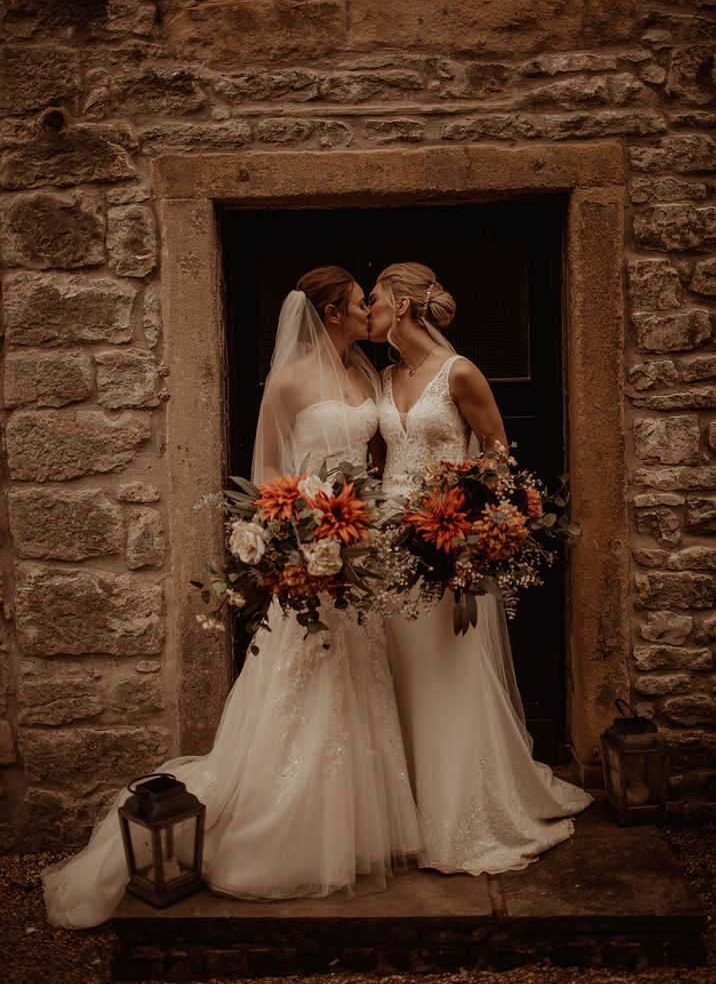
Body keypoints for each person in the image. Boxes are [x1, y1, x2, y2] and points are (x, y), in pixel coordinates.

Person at [43, 267, 422, 929]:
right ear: (331, 311)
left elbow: (374, 463)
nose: (368, 310)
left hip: (360, 548)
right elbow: (268, 477)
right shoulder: (287, 381)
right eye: (360, 302)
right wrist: (291, 541)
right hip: (310, 548)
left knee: (358, 675)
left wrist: (370, 523)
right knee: (307, 682)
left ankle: (361, 831)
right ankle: (285, 833)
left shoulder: (365, 374)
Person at [368, 261, 592, 877]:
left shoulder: (458, 372)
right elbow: (382, 462)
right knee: (400, 674)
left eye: (376, 298)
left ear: (404, 305)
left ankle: (463, 813)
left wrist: (473, 525)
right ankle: (407, 811)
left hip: (449, 546)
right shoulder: (385, 377)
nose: (368, 309)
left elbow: (498, 457)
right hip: (394, 551)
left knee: (448, 673)